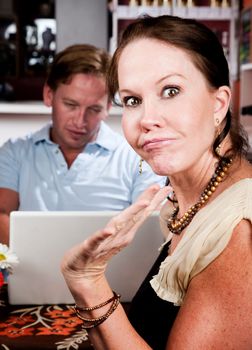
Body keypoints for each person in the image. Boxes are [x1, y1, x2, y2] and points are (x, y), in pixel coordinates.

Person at [61, 15, 252, 350]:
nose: (147, 119)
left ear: (219, 103)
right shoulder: (181, 201)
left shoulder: (238, 230)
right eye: (132, 100)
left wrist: (87, 281)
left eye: (171, 90)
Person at [0, 44, 164, 245]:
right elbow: (2, 215)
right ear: (48, 95)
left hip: (109, 275)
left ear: (108, 107)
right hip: (29, 272)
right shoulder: (15, 152)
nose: (80, 121)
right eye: (71, 105)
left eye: (94, 109)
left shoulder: (137, 159)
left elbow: (147, 232)